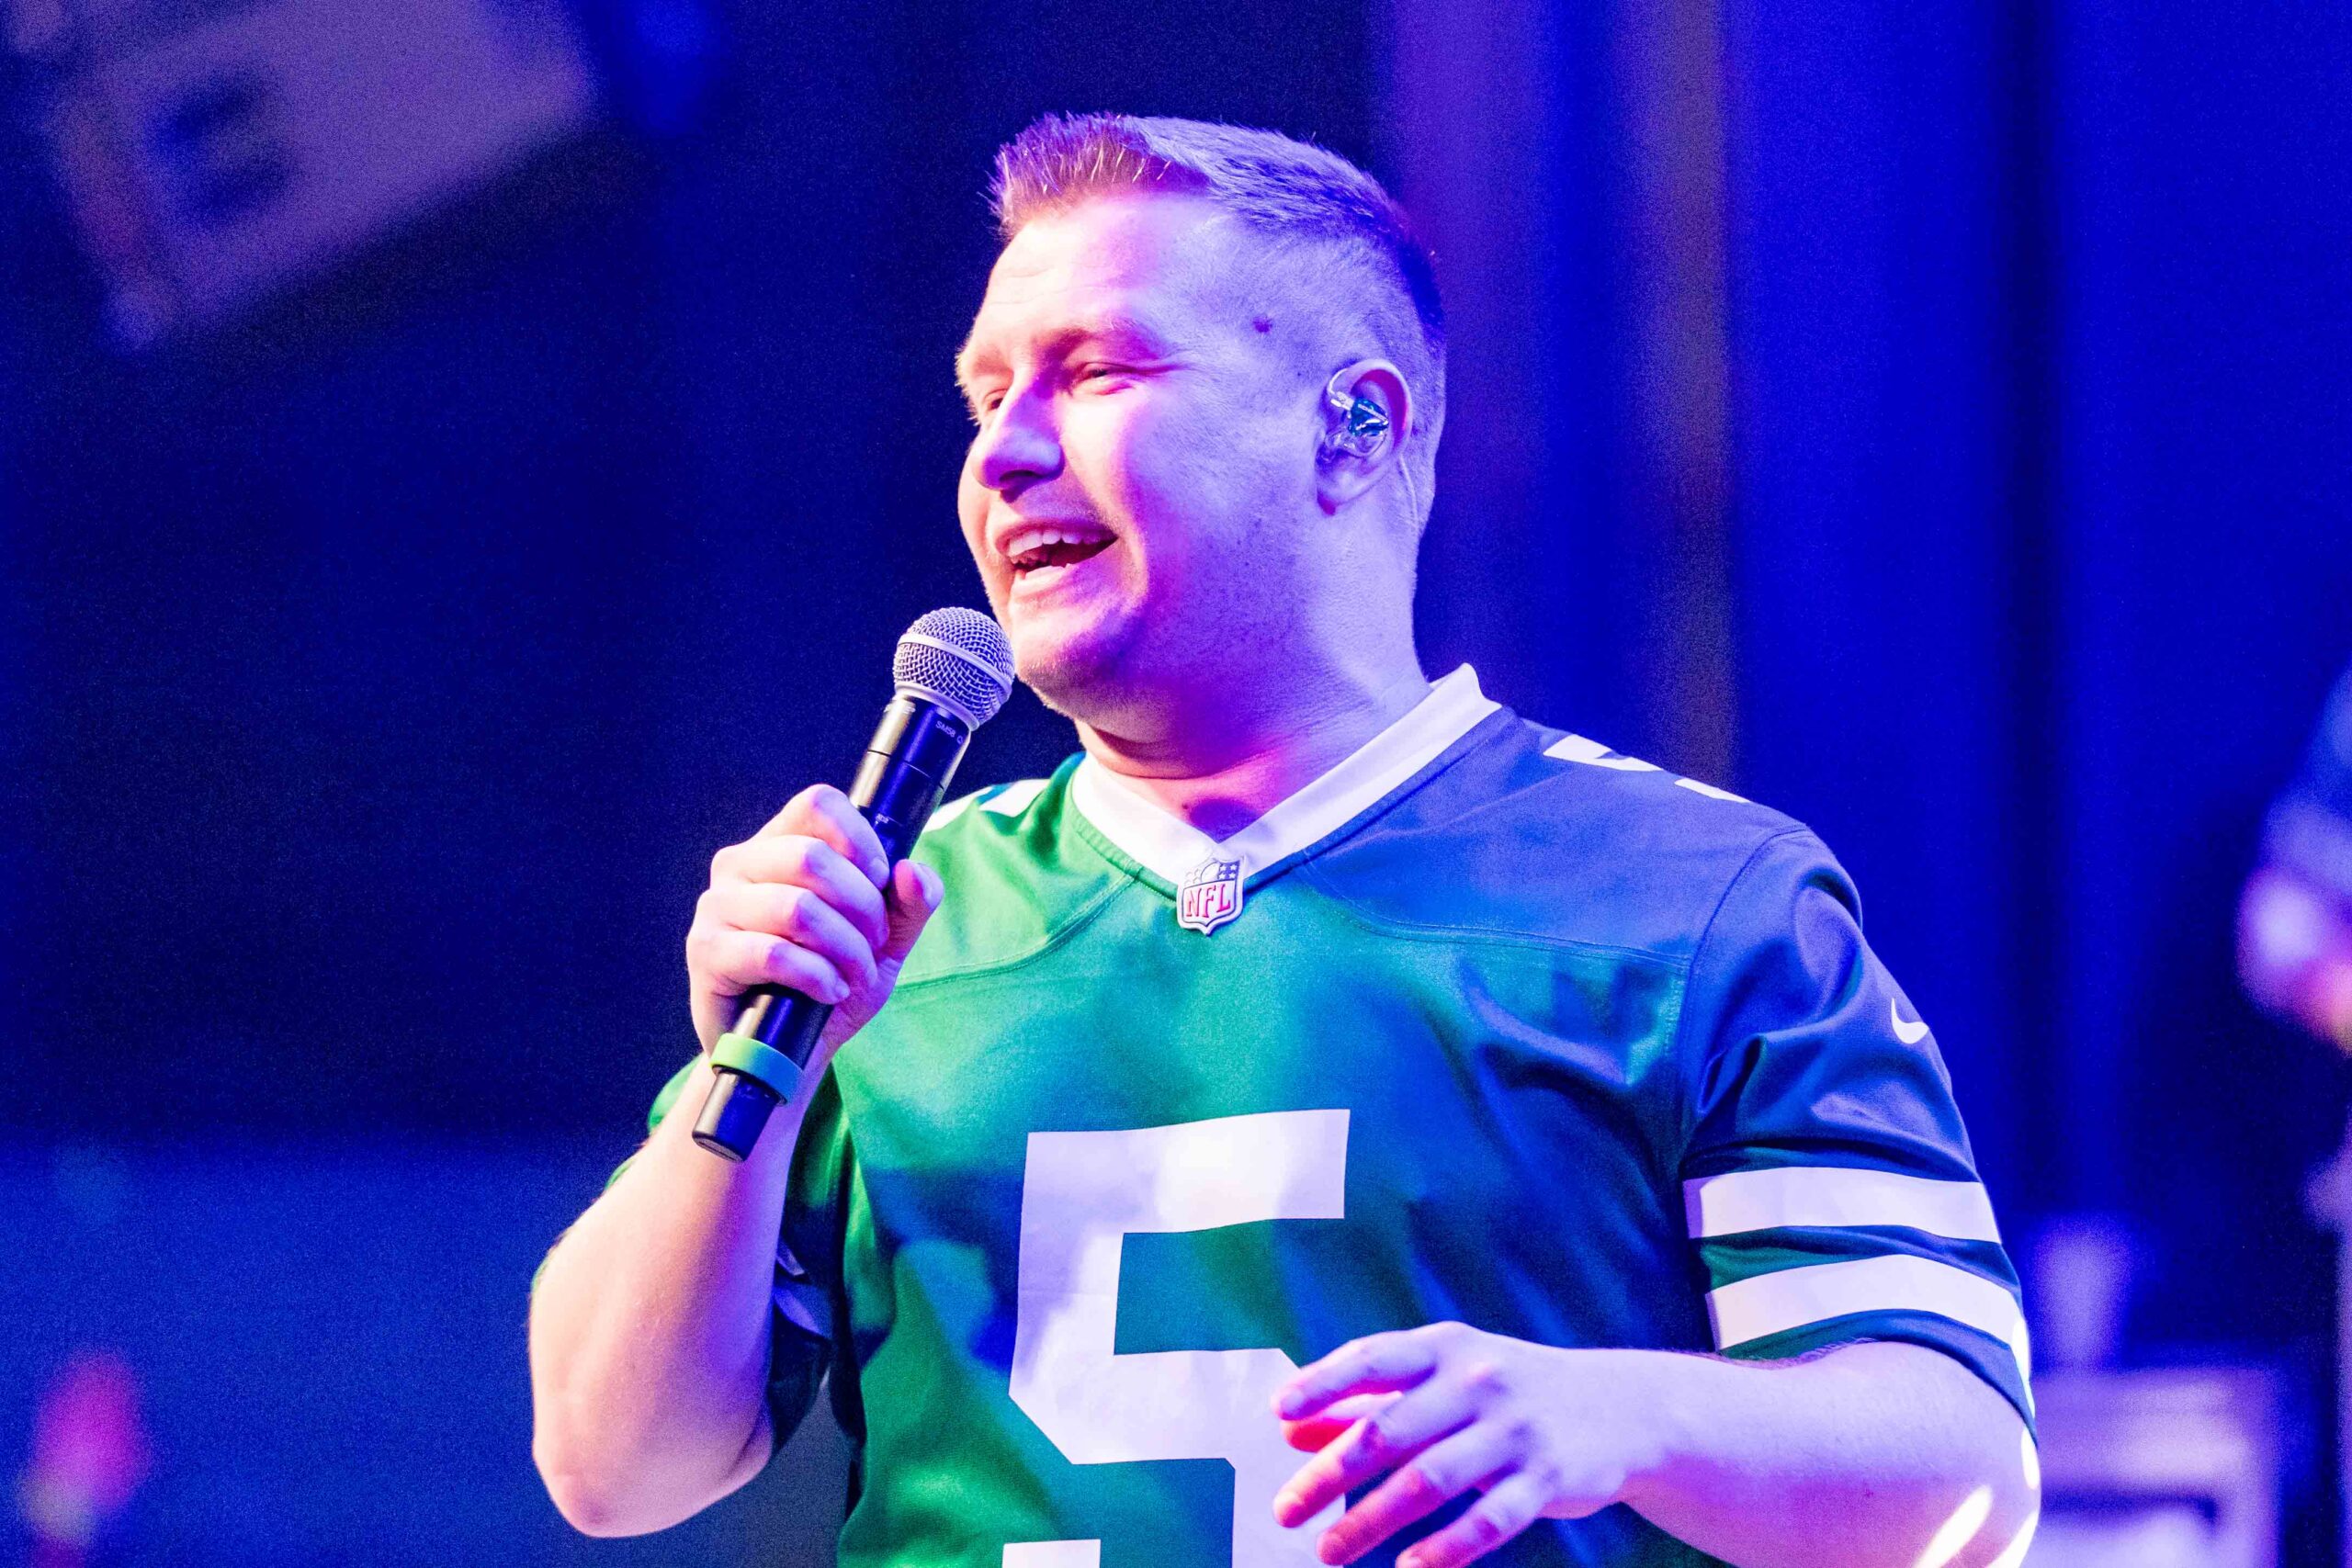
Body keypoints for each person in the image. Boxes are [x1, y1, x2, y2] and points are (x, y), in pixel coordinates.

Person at [528, 115, 2038, 1567]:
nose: (1003, 454)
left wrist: (1621, 1414)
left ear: (1353, 425)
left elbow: (1962, 1479)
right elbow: (612, 1466)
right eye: (986, 399)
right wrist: (750, 1070)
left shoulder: (1690, 901)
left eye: (1096, 370)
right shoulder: (901, 920)